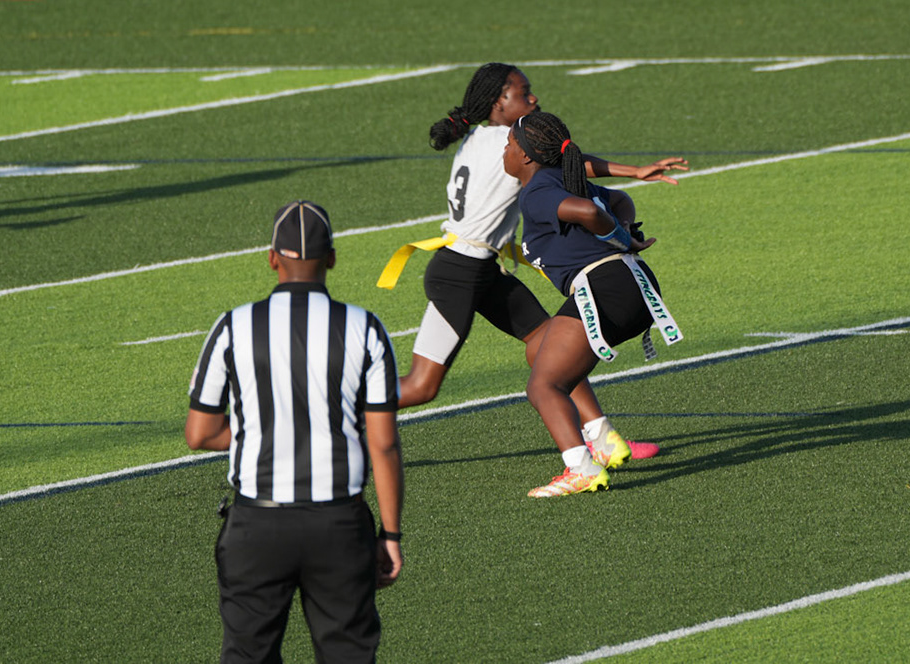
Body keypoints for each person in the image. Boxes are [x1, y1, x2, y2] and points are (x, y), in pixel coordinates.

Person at [383, 63, 686, 472]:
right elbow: (564, 161)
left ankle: (602, 439)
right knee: (422, 386)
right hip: (458, 273)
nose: (533, 98)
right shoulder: (505, 142)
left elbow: (559, 164)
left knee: (551, 347)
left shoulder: (480, 137)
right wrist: (632, 171)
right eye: (523, 93)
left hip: (482, 269)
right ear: (498, 102)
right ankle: (338, 410)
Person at [187, 200, 403, 664]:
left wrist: (257, 432)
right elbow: (383, 443)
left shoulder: (232, 326)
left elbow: (199, 433)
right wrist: (390, 534)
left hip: (258, 522)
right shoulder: (365, 327)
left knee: (248, 655)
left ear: (272, 258)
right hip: (338, 522)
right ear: (332, 259)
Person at [506, 110, 684, 498]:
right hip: (631, 283)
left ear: (525, 156)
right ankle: (602, 440)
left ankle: (582, 468)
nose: (504, 151)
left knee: (543, 387)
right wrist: (625, 233)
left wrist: (621, 237)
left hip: (605, 288)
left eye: (509, 144)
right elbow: (619, 199)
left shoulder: (536, 192)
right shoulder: (565, 178)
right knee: (540, 349)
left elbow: (588, 212)